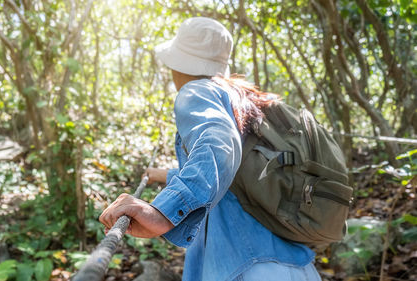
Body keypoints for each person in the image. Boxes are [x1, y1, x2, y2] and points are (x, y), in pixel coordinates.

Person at [99, 17, 322, 281]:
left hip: (246, 268)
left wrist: (164, 212)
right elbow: (230, 178)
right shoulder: (242, 102)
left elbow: (218, 143)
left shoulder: (196, 91)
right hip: (290, 264)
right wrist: (163, 175)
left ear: (180, 64)